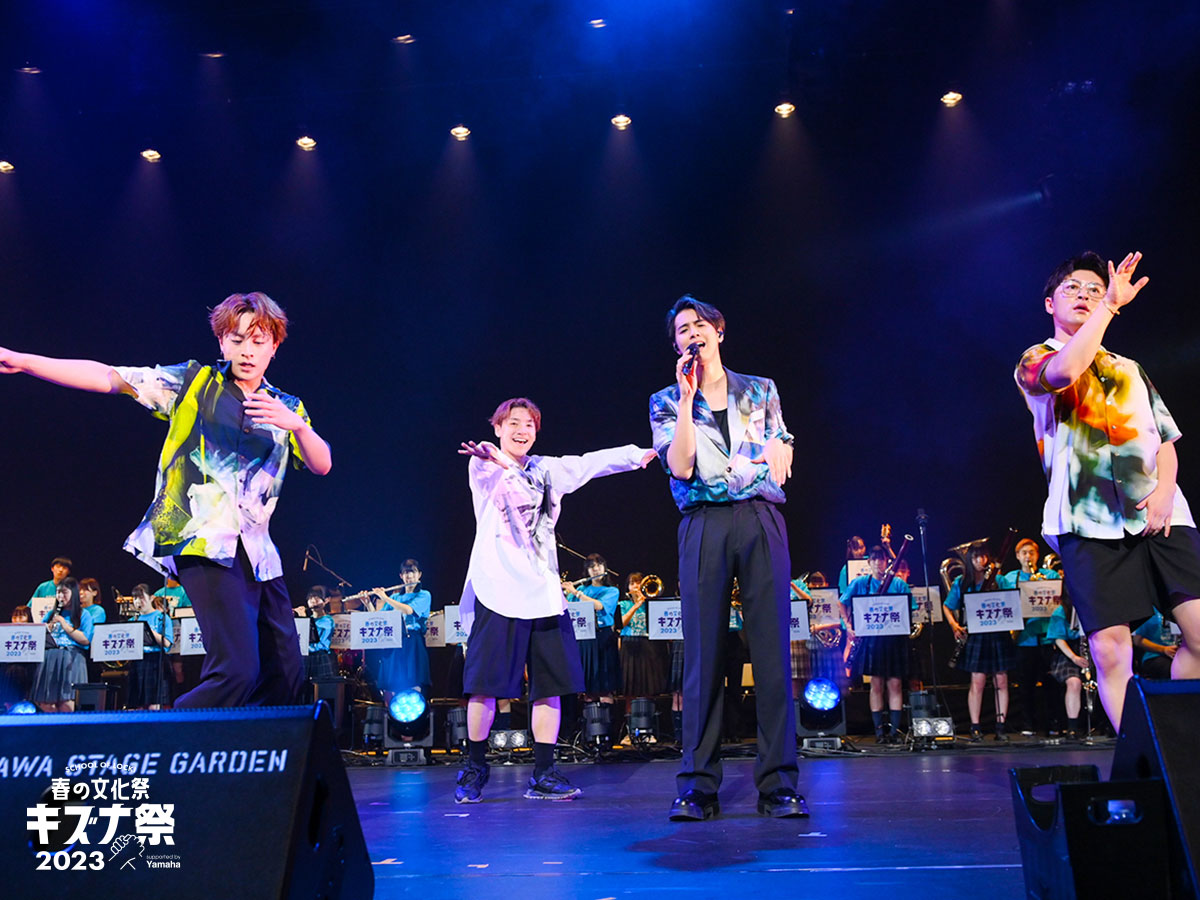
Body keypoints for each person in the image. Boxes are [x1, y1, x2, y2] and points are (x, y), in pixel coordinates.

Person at [1, 292, 332, 709]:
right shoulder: (193, 384)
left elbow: (322, 463)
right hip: (202, 541)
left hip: (260, 555)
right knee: (236, 670)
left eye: (258, 341)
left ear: (275, 346)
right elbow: (110, 377)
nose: (247, 351)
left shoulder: (286, 407)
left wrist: (297, 426)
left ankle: (251, 745)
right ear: (221, 342)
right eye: (236, 339)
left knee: (286, 673)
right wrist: (25, 361)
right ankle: (164, 736)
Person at [1015, 251, 1200, 729]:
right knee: (1112, 650)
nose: (1085, 295)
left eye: (1095, 290)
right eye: (1073, 289)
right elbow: (1065, 373)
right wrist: (1109, 307)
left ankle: (1180, 742)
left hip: (1161, 512)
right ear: (1049, 303)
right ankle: (1148, 756)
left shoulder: (1130, 368)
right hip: (1086, 520)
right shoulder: (1036, 360)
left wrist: (1165, 492)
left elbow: (1165, 439)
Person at [649, 294, 806, 820]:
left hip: (759, 516)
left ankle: (779, 783)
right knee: (703, 655)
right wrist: (687, 399)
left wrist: (783, 449)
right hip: (703, 522)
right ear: (676, 344)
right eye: (682, 330)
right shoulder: (665, 401)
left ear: (718, 331)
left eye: (700, 325)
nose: (692, 334)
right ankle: (697, 785)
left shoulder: (760, 389)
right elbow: (681, 465)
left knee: (771, 653)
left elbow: (781, 442)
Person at [455, 397, 654, 804]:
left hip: (544, 594)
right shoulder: (484, 466)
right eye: (513, 423)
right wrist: (492, 454)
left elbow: (590, 463)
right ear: (498, 427)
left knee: (551, 686)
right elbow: (489, 458)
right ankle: (475, 767)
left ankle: (544, 772)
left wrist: (638, 455)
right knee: (484, 687)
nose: (521, 430)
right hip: (497, 590)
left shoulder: (548, 469)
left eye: (529, 424)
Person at [840, 546, 912, 744]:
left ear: (887, 562)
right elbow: (842, 602)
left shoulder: (898, 583)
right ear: (869, 563)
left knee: (895, 684)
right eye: (875, 560)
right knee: (876, 683)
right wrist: (848, 626)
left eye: (882, 560)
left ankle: (895, 731)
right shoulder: (860, 583)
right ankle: (879, 732)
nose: (879, 563)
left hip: (895, 640)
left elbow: (909, 608)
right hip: (872, 641)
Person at [943, 544, 1015, 741]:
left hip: (998, 633)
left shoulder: (999, 580)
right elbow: (947, 606)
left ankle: (1001, 726)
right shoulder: (961, 582)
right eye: (976, 557)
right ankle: (975, 726)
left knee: (1001, 680)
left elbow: (1012, 601)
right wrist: (954, 625)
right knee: (978, 681)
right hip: (976, 635)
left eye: (983, 557)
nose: (980, 561)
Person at [998, 538, 1060, 735]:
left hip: (1048, 636)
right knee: (1025, 685)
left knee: (1051, 683)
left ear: (1037, 556)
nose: (1028, 557)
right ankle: (1027, 724)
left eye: (1031, 553)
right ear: (1017, 556)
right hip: (1023, 638)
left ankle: (1053, 724)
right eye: (1024, 553)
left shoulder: (1049, 575)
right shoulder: (1009, 578)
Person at [564, 554, 621, 712]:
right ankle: (590, 723)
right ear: (587, 571)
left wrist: (576, 593)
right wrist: (561, 593)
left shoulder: (612, 590)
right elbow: (569, 608)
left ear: (605, 568)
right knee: (589, 688)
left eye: (599, 565)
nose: (596, 569)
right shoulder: (582, 588)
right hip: (584, 638)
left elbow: (599, 606)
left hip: (603, 638)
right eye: (591, 567)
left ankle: (607, 724)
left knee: (605, 687)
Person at [370, 559, 433, 702]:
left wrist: (385, 598)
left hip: (412, 641)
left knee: (413, 681)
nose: (409, 576)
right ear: (401, 576)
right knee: (391, 683)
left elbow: (409, 610)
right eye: (406, 573)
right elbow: (379, 618)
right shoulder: (395, 597)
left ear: (419, 575)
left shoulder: (424, 594)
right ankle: (391, 713)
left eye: (413, 572)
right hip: (393, 641)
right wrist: (368, 603)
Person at [30, 577, 93, 712]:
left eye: (64, 592)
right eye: (58, 593)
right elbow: (38, 635)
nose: (60, 596)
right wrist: (47, 628)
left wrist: (64, 624)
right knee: (46, 702)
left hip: (71, 657)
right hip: (50, 658)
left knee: (67, 701)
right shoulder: (50, 614)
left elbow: (86, 639)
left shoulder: (83, 614)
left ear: (73, 593)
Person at [618, 572, 665, 736]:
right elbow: (621, 623)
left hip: (647, 646)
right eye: (632, 583)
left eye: (638, 583)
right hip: (629, 646)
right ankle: (631, 732)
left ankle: (648, 730)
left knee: (648, 689)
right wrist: (636, 605)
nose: (636, 586)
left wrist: (646, 602)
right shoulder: (623, 604)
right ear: (628, 587)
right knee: (630, 691)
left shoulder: (651, 604)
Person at [1045, 595, 1090, 739]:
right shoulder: (1060, 611)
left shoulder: (1092, 606)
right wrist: (1074, 657)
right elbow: (1059, 639)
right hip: (1068, 653)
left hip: (1091, 648)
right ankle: (1072, 727)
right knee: (1074, 682)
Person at [127, 585, 174, 709]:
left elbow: (167, 642)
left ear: (151, 598)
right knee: (135, 705)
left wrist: (147, 630)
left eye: (142, 597)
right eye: (135, 598)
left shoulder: (161, 617)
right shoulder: (132, 620)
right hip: (137, 661)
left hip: (155, 661)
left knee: (154, 704)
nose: (138, 601)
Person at [0, 606, 37, 709]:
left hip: (28, 668)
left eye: (21, 617)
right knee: (9, 699)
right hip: (10, 669)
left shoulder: (36, 631)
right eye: (15, 617)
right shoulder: (6, 632)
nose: (17, 620)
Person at [301, 587, 338, 683]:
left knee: (321, 687)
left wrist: (303, 618)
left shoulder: (327, 620)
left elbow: (323, 644)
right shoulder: (308, 619)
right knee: (304, 686)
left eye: (317, 598)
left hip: (320, 657)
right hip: (305, 657)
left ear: (326, 600)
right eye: (310, 598)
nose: (313, 601)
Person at [1132, 610, 1178, 680]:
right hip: (1154, 656)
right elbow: (1137, 640)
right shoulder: (1149, 612)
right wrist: (1164, 649)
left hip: (1179, 654)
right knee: (1170, 668)